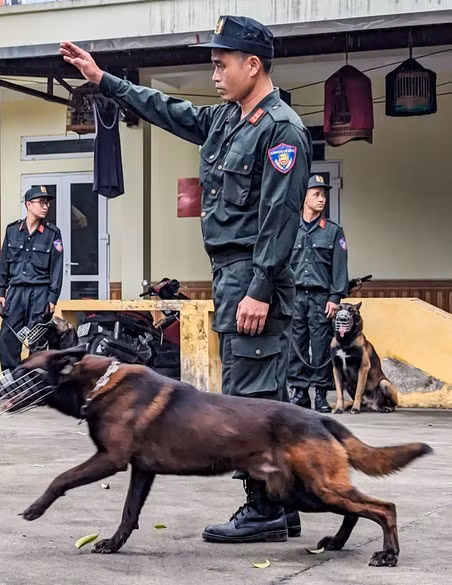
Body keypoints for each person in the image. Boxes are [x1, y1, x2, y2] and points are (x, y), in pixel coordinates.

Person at [61, 15, 311, 543]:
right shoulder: (227, 121)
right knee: (257, 393)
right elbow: (168, 110)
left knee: (249, 399)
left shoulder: (280, 129)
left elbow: (281, 217)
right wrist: (105, 80)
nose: (215, 73)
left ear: (253, 65)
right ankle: (283, 504)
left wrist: (259, 289)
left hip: (254, 276)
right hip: (232, 274)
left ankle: (263, 510)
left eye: (222, 64)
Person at [288, 175, 349, 413]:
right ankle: (299, 392)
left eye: (324, 194)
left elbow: (340, 267)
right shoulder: (291, 228)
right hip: (294, 297)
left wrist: (335, 298)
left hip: (321, 298)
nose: (322, 199)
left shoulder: (333, 231)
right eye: (316, 194)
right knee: (297, 346)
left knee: (321, 346)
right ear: (304, 197)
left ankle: (321, 394)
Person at [0, 185, 64, 371]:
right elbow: (3, 263)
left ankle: (35, 382)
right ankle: (12, 381)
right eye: (41, 202)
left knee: (37, 340)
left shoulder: (52, 233)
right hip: (16, 293)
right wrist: (0, 292)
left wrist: (52, 298)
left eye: (47, 203)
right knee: (7, 338)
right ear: (28, 204)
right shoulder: (12, 231)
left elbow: (57, 267)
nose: (45, 206)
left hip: (40, 293)